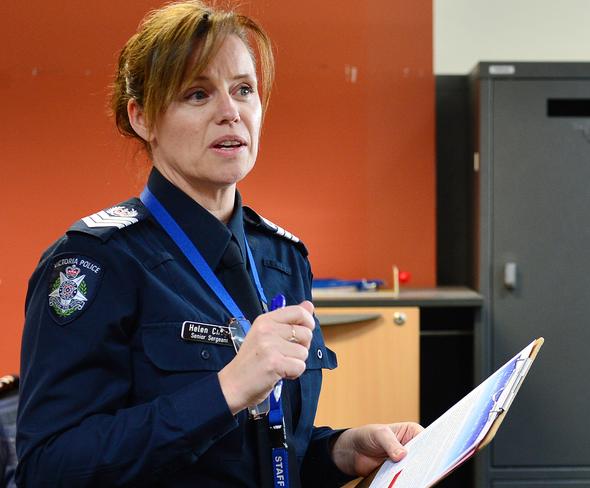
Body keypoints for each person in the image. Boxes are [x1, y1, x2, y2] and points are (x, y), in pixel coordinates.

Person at [16, 1, 422, 486]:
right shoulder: (94, 263)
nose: (230, 113)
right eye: (197, 94)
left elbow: (264, 453)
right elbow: (48, 467)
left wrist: (338, 452)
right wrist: (225, 391)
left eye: (244, 90)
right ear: (142, 117)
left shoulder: (282, 258)